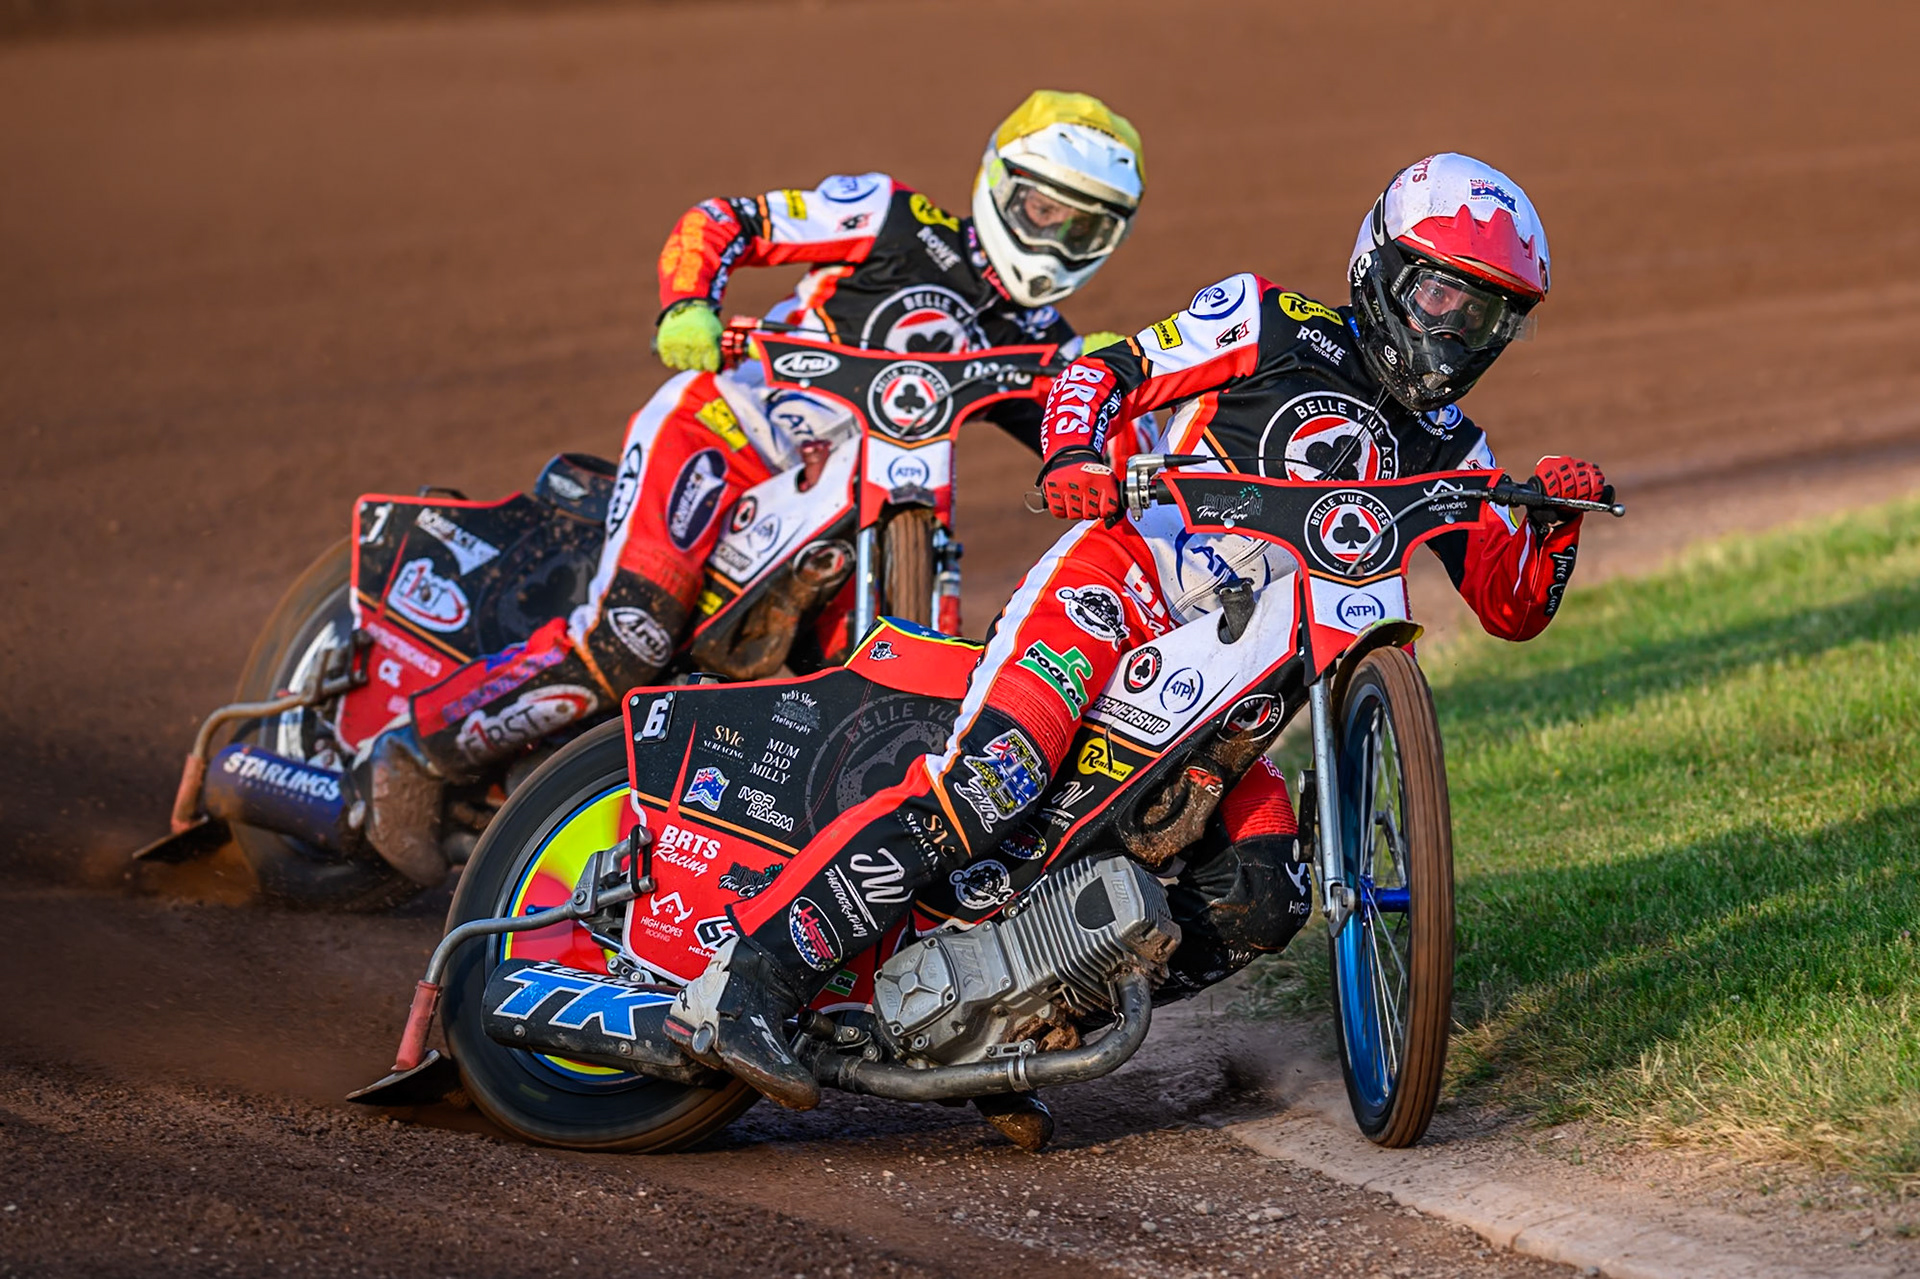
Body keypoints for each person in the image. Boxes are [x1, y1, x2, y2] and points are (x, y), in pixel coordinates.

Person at [663, 152, 1609, 1111]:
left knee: (1266, 889)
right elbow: (1108, 370)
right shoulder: (1265, 318)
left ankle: (1016, 1020)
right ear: (1384, 266)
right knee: (991, 781)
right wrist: (1075, 449)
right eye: (1442, 293)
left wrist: (1555, 522)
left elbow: (1512, 607)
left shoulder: (1459, 449)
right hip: (1121, 587)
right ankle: (752, 980)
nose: (1455, 328)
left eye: (1485, 312)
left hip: (1230, 703)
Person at [358, 91, 1148, 886]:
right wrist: (689, 304)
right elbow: (723, 220)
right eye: (1042, 208)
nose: (1054, 237)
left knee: (891, 694)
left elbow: (1094, 444)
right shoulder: (888, 216)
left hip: (860, 515)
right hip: (726, 430)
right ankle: (413, 752)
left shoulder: (1045, 345)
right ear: (995, 183)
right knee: (629, 636)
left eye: (1083, 226)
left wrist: (1109, 388)